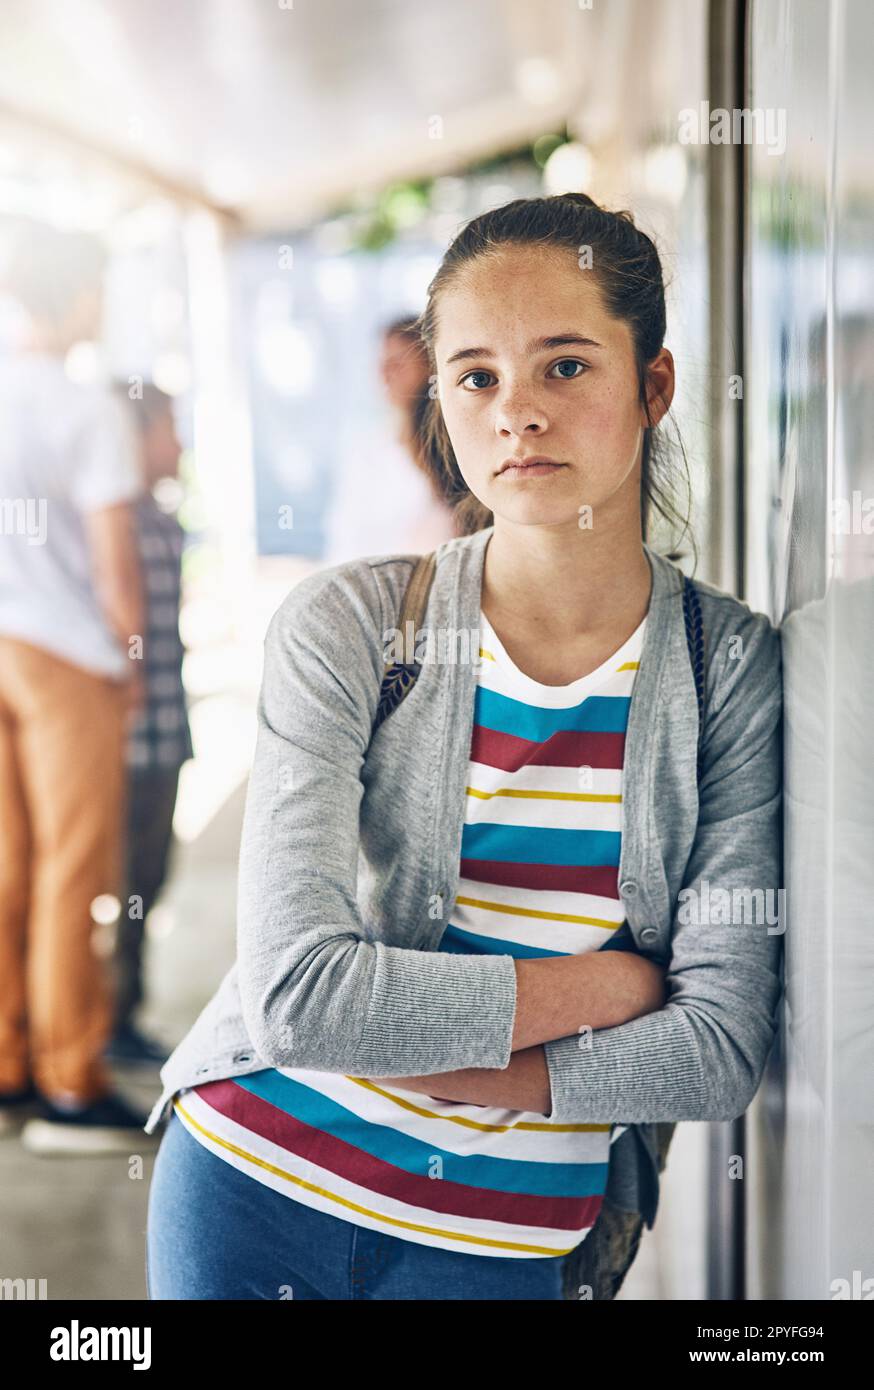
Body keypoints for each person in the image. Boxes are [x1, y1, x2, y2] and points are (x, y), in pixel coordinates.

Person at [145, 193, 783, 1300]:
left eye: (567, 366)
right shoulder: (344, 623)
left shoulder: (726, 666)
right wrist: (613, 985)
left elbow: (716, 1050)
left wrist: (397, 1035)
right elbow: (297, 1001)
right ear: (441, 402)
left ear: (655, 387)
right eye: (477, 376)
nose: (518, 414)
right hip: (251, 1186)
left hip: (505, 1245)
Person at [0, 219, 157, 1153]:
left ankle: (8, 1062)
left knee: (6, 865)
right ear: (78, 295)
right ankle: (70, 1078)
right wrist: (132, 662)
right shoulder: (85, 406)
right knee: (75, 872)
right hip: (66, 658)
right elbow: (117, 568)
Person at [106, 382, 192, 1065]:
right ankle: (99, 1022)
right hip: (116, 745)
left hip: (166, 734)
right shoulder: (107, 525)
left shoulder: (161, 520)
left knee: (149, 876)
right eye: (168, 428)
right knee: (113, 884)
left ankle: (121, 1013)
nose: (180, 444)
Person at [322, 314, 457, 563]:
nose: (385, 376)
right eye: (382, 364)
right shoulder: (368, 451)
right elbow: (344, 541)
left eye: (398, 364)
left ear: (431, 366)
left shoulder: (456, 446)